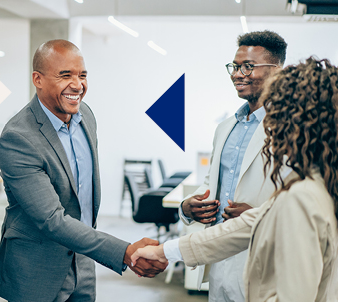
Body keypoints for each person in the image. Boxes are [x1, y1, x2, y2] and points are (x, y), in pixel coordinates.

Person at [132, 57, 338, 302]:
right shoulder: (320, 183)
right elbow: (248, 224)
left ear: (300, 123)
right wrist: (165, 250)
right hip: (223, 268)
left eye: (278, 113)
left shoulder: (302, 197)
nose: (271, 124)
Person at [0, 39, 165, 302]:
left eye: (82, 75)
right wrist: (124, 251)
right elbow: (52, 220)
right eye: (65, 75)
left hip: (84, 262)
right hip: (37, 269)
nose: (78, 85)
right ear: (38, 79)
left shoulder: (86, 117)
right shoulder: (18, 137)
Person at [178, 30, 288, 301]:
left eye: (248, 66)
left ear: (277, 70)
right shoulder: (225, 128)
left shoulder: (292, 128)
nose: (238, 74)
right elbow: (212, 183)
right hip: (220, 260)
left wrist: (259, 217)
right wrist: (188, 207)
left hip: (264, 260)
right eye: (235, 66)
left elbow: (300, 197)